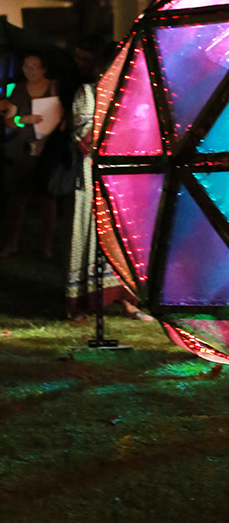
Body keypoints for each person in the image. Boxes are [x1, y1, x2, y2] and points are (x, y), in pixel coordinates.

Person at [65, 38, 153, 321]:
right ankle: (82, 304)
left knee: (126, 239)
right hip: (95, 178)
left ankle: (128, 300)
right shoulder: (88, 94)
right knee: (91, 235)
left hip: (127, 180)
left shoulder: (136, 94)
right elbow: (86, 138)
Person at [0, 52, 60, 257]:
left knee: (46, 196)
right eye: (26, 67)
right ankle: (12, 241)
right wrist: (22, 119)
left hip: (47, 147)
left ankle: (46, 246)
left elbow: (60, 116)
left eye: (34, 67)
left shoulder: (54, 87)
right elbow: (9, 120)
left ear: (44, 68)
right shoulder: (17, 89)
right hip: (22, 146)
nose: (29, 71)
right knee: (19, 195)